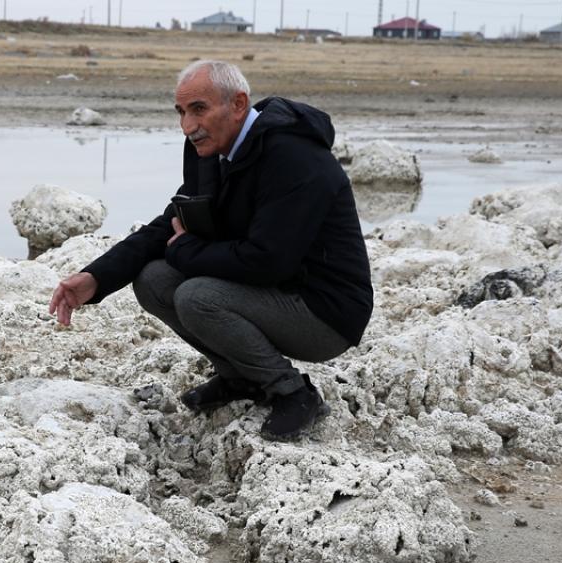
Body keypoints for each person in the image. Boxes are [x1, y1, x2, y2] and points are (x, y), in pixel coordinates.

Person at [48, 60, 373, 441]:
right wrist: (96, 277)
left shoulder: (294, 157)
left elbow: (269, 261)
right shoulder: (212, 150)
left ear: (238, 104)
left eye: (198, 109)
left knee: (197, 296)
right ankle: (241, 378)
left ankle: (293, 393)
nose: (188, 126)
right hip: (274, 290)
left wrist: (185, 251)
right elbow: (170, 223)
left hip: (325, 313)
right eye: (181, 112)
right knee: (153, 280)